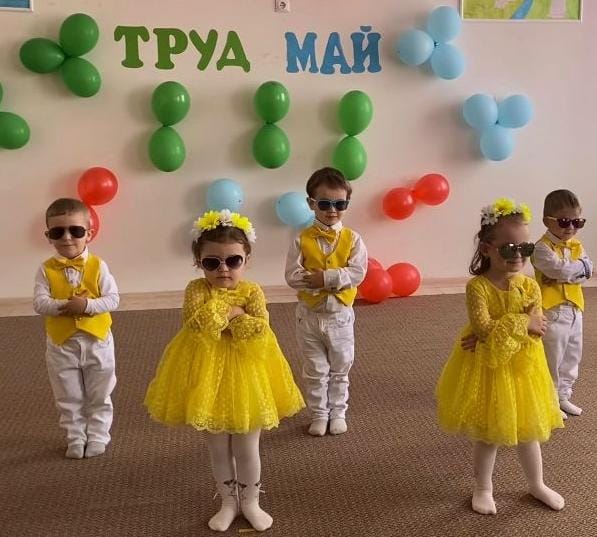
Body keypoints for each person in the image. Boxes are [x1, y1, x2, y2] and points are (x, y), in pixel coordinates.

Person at [144, 209, 305, 532]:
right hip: (206, 376)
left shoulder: (253, 291)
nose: (223, 269)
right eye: (212, 262)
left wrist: (231, 317)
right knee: (218, 447)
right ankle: (228, 502)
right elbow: (198, 326)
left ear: (246, 260)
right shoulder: (195, 290)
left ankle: (251, 501)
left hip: (248, 375)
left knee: (247, 446)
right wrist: (231, 310)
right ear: (198, 262)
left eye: (233, 261)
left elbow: (258, 330)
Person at [436, 198, 564, 515]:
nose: (518, 256)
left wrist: (502, 332)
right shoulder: (477, 287)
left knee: (529, 431)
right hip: (489, 370)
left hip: (524, 369)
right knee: (489, 434)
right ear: (486, 249)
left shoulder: (531, 286)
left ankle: (536, 483)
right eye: (508, 248)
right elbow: (483, 328)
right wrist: (520, 323)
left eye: (525, 248)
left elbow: (537, 329)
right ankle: (483, 488)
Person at [33, 198, 119, 459]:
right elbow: (39, 303)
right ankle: (75, 436)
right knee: (67, 395)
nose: (67, 237)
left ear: (89, 234)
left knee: (100, 393)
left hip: (97, 342)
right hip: (62, 344)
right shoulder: (45, 270)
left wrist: (87, 305)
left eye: (76, 230)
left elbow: (113, 299)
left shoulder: (99, 266)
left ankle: (98, 435)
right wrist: (66, 306)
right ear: (48, 236)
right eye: (58, 232)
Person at [285, 167, 367, 436]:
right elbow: (292, 276)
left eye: (340, 204)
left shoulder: (353, 239)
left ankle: (338, 412)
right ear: (311, 204)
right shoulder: (301, 240)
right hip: (309, 317)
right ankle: (319, 413)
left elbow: (358, 273)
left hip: (339, 316)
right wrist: (313, 281)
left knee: (340, 367)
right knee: (315, 369)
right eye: (325, 204)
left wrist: (326, 278)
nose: (332, 210)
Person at [531, 189, 593, 419]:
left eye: (577, 222)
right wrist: (575, 270)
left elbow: (588, 269)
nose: (571, 227)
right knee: (553, 357)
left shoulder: (577, 246)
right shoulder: (541, 248)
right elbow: (560, 270)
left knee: (572, 355)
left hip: (575, 309)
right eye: (564, 222)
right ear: (547, 221)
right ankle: (549, 399)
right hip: (552, 312)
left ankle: (563, 396)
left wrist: (573, 271)